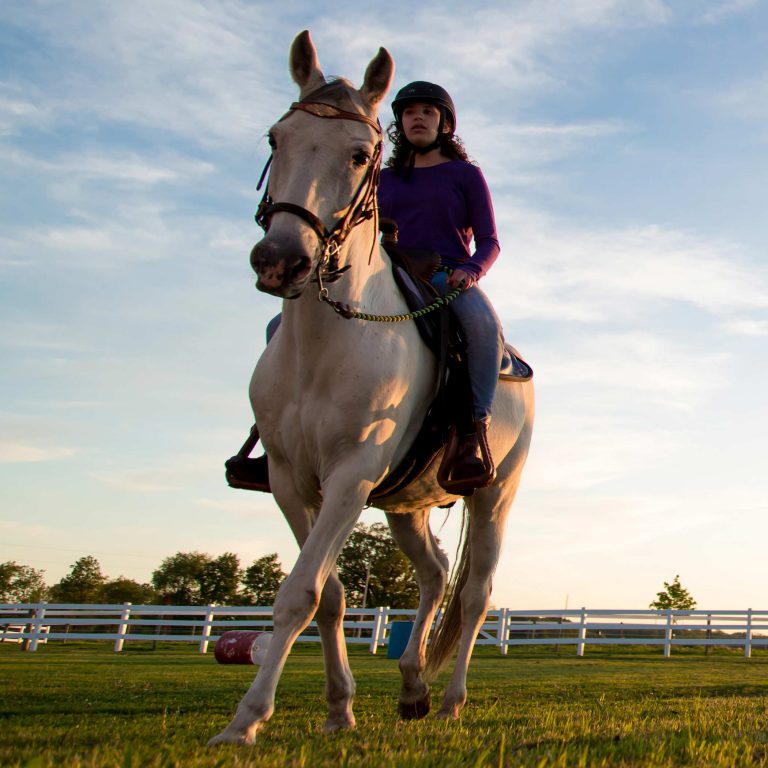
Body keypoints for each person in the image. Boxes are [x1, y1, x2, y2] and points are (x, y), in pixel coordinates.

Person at [378, 81, 504, 487]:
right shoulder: (381, 179)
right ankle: (268, 437)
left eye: (428, 111)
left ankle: (473, 429)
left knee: (485, 329)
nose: (418, 117)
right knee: (281, 326)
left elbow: (489, 241)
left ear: (444, 123)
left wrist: (470, 271)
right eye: (409, 111)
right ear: (399, 122)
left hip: (445, 276)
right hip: (385, 273)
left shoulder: (465, 175)